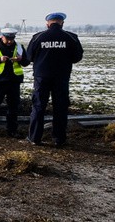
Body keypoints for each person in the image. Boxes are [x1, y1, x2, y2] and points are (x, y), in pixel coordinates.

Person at [25, 12, 84, 146]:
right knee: (60, 107)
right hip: (61, 77)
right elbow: (77, 57)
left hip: (41, 77)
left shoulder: (38, 37)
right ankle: (59, 139)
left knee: (39, 107)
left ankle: (34, 138)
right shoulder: (71, 37)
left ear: (47, 23)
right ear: (62, 23)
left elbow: (29, 56)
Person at [0, 27, 30, 137]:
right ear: (2, 37)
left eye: (11, 39)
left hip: (14, 82)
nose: (9, 41)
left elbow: (27, 62)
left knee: (13, 108)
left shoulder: (19, 47)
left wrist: (21, 59)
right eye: (7, 39)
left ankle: (12, 131)